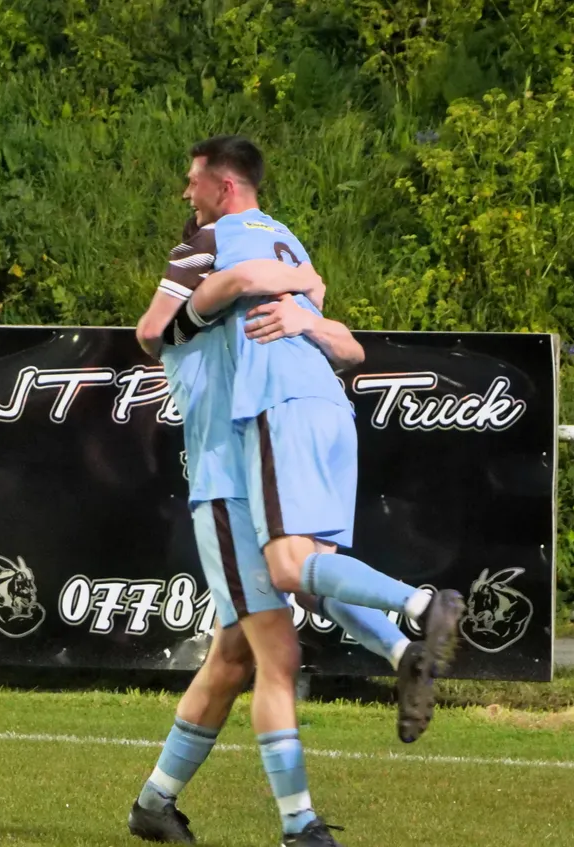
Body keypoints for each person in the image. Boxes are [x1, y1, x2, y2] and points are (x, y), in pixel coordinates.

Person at [132, 137, 463, 846]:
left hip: (254, 466)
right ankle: (299, 823)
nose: (186, 200)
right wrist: (291, 280)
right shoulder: (207, 302)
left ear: (220, 186)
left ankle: (155, 801)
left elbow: (339, 339)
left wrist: (305, 306)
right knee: (273, 650)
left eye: (193, 183)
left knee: (235, 655)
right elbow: (159, 325)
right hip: (223, 486)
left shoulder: (245, 294)